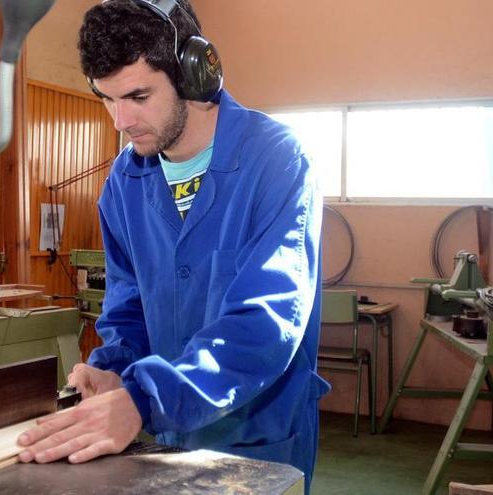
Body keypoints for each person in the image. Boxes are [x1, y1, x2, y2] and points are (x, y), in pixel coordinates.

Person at [17, 0, 329, 490]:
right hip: (159, 443)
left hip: (254, 435)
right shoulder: (124, 181)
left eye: (138, 96)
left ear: (194, 74)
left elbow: (267, 321)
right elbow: (128, 308)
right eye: (106, 99)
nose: (120, 120)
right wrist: (114, 371)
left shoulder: (277, 161)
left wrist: (145, 400)